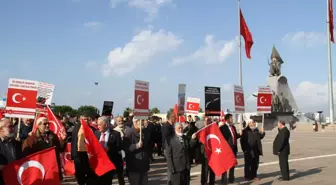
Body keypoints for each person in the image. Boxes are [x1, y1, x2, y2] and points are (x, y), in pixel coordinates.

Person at [22, 114, 65, 181]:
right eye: (45, 124)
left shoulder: (53, 136)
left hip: (53, 169)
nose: (47, 125)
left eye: (48, 123)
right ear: (38, 125)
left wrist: (63, 140)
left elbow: (61, 149)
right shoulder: (31, 139)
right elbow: (26, 156)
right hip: (40, 170)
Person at [95, 116, 124, 185]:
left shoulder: (115, 134)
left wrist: (110, 148)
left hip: (110, 162)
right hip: (98, 163)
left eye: (100, 125)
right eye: (97, 125)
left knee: (107, 181)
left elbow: (120, 147)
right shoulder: (96, 133)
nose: (98, 126)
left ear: (105, 125)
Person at [71, 113, 97, 185]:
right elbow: (73, 140)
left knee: (89, 171)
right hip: (78, 153)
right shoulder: (76, 128)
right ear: (80, 120)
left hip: (88, 153)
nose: (86, 121)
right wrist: (73, 154)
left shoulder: (92, 129)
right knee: (79, 172)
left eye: (87, 119)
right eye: (84, 119)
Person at [123, 118, 150, 185]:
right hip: (134, 166)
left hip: (144, 165)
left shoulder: (144, 131)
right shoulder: (129, 132)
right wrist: (136, 146)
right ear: (135, 122)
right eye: (142, 121)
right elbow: (126, 148)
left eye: (143, 121)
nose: (144, 122)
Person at [219, 114, 241, 184]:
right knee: (225, 165)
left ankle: (231, 178)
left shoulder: (233, 127)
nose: (232, 119)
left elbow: (234, 137)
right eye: (231, 118)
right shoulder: (222, 128)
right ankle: (224, 180)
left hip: (234, 148)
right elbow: (221, 139)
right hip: (226, 149)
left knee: (232, 164)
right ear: (227, 119)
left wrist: (239, 134)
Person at [0, 118, 23, 185]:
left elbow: (21, 158)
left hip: (14, 178)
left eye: (13, 126)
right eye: (10, 126)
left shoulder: (16, 143)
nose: (13, 129)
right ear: (1, 129)